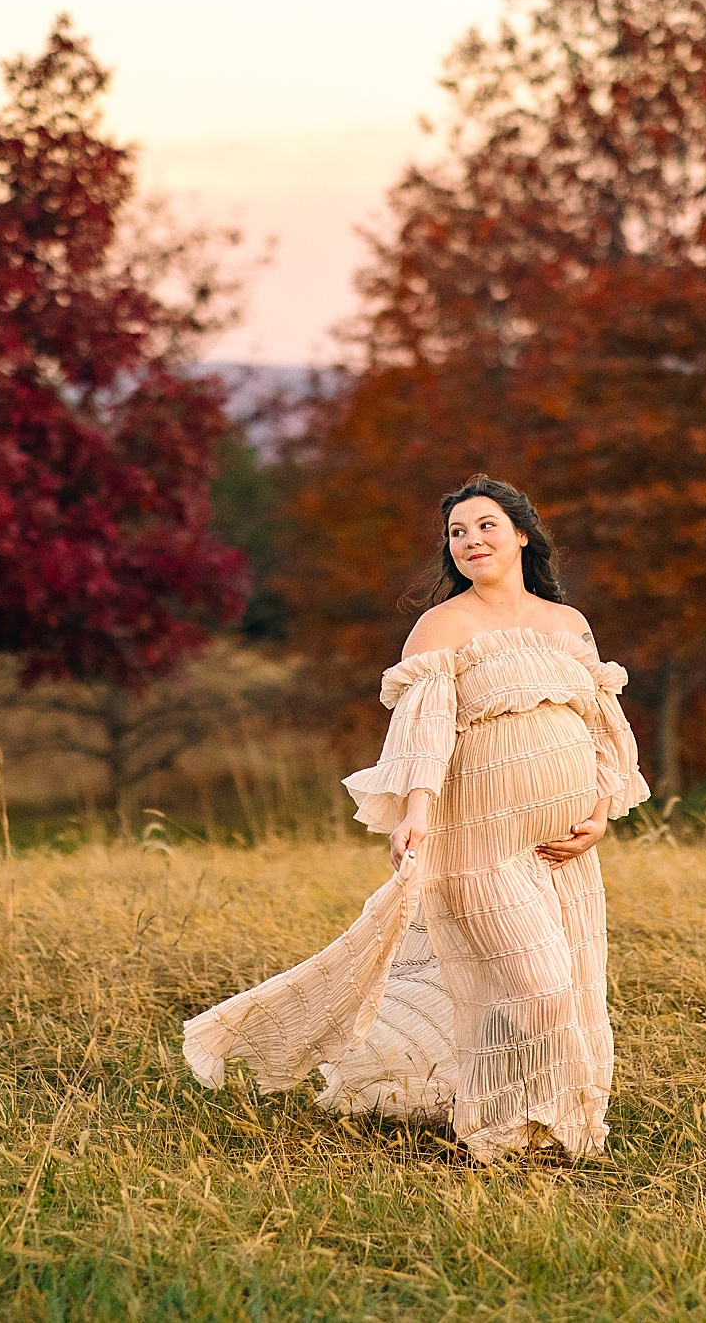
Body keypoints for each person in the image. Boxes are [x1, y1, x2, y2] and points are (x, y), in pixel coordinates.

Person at [182, 475, 649, 1161]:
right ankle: (490, 1132)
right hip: (479, 845)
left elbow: (605, 726)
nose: (470, 541)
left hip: (560, 850)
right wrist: (416, 813)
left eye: (485, 525)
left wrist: (602, 810)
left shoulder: (567, 624)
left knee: (566, 987)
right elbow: (424, 732)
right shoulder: (443, 626)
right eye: (458, 532)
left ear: (522, 533)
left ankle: (545, 1128)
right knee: (538, 987)